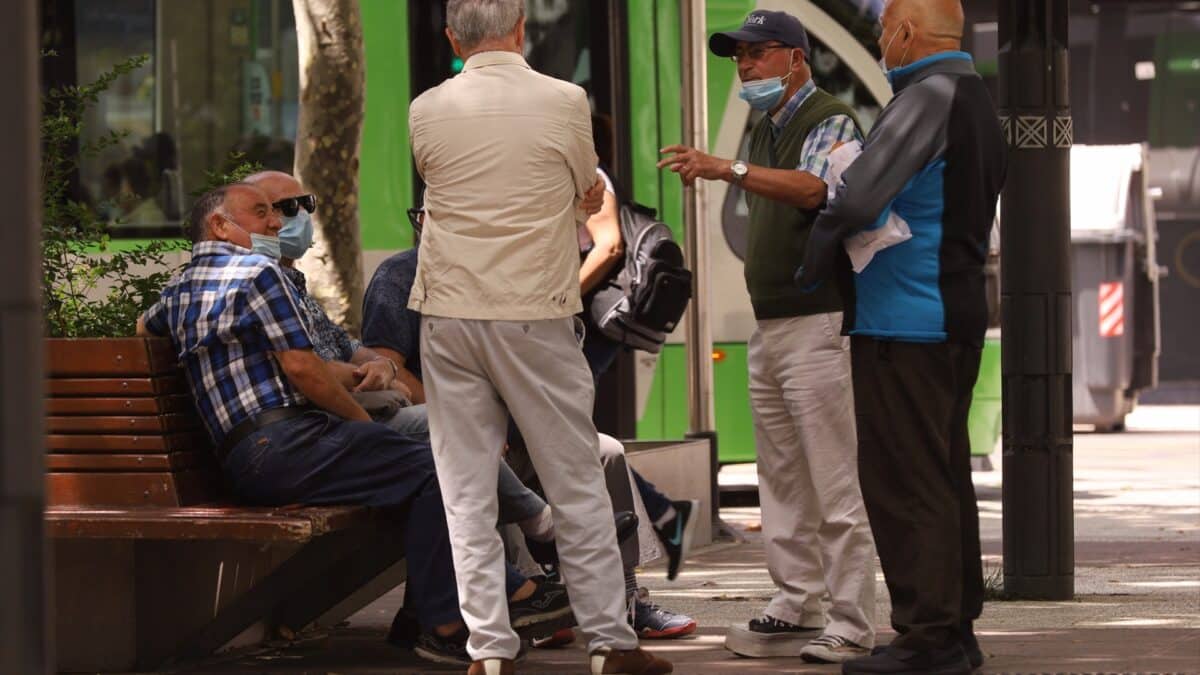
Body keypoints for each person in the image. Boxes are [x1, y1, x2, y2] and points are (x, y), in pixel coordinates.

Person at [408, 2, 672, 673]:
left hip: (448, 314)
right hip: (531, 310)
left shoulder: (428, 108)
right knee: (576, 482)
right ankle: (610, 642)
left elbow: (446, 181)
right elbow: (588, 189)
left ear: (450, 39)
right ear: (521, 29)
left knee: (465, 494)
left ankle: (489, 652)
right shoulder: (565, 99)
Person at [135, 183, 472, 665]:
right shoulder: (259, 272)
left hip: (246, 457)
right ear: (219, 225)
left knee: (419, 469)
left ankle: (438, 612)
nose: (276, 223)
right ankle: (444, 622)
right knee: (440, 469)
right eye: (262, 212)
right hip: (286, 442)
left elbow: (144, 329)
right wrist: (364, 425)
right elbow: (303, 368)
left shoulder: (181, 288)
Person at [240, 171, 578, 650]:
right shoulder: (263, 282)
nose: (288, 222)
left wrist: (372, 365)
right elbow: (306, 369)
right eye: (278, 210)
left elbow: (347, 348)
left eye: (302, 206)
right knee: (455, 447)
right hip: (321, 431)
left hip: (354, 420)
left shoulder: (290, 282)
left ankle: (608, 597)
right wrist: (367, 396)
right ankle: (516, 569)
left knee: (590, 450)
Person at [363, 199, 698, 645]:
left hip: (518, 420)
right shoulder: (398, 276)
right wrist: (464, 414)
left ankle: (625, 602)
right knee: (478, 460)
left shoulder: (504, 277)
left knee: (607, 451)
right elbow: (386, 365)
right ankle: (526, 602)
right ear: (423, 222)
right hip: (458, 426)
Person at [656, 9, 877, 665]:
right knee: (780, 476)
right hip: (773, 323)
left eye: (756, 55)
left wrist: (729, 170)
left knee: (833, 478)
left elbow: (814, 190)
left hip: (818, 321)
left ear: (795, 58)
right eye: (738, 58)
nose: (744, 68)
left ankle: (851, 618)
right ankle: (795, 602)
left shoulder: (829, 117)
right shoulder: (766, 126)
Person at [793, 0, 1007, 673]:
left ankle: (927, 637)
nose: (881, 44)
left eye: (883, 31)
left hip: (906, 321)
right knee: (942, 479)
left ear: (906, 33)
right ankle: (954, 630)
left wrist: (822, 238)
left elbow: (856, 199)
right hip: (951, 312)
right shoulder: (975, 98)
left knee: (904, 481)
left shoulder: (926, 97)